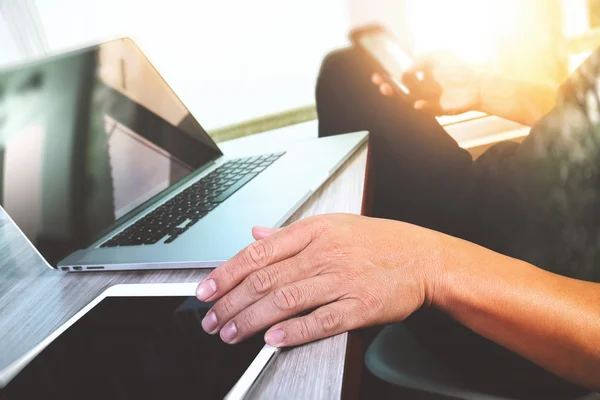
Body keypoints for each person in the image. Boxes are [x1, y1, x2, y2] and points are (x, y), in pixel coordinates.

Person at [195, 46, 600, 398]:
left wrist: (431, 264)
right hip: (502, 189)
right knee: (350, 71)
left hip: (527, 295)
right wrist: (487, 89)